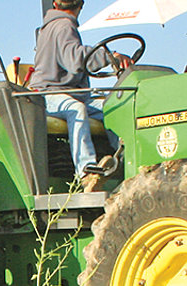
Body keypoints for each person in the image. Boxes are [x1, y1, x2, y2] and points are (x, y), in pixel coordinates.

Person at [28, 0, 132, 192]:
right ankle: (85, 172)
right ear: (81, 6)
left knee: (111, 106)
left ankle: (124, 158)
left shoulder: (56, 24)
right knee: (76, 108)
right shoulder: (63, 25)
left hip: (73, 92)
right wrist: (110, 56)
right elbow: (75, 60)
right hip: (47, 94)